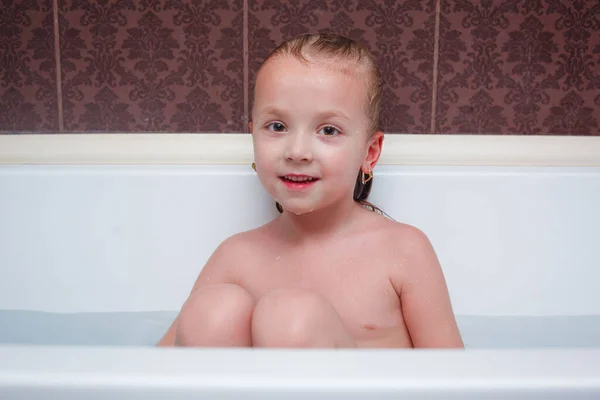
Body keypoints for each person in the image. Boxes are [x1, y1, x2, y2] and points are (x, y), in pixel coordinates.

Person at [158, 32, 463, 348]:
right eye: (277, 127)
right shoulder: (236, 257)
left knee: (293, 317)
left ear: (369, 153)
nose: (297, 151)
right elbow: (152, 367)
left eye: (328, 130)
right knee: (213, 311)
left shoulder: (402, 251)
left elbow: (455, 379)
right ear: (253, 137)